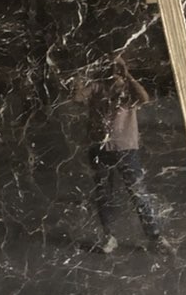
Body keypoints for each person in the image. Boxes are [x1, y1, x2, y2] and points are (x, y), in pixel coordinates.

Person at [73, 56, 171, 254]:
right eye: (112, 69)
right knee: (103, 194)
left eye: (118, 70)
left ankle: (155, 237)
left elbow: (144, 98)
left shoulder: (128, 90)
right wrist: (80, 77)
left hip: (126, 149)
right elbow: (77, 98)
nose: (115, 74)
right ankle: (109, 237)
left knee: (138, 193)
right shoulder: (97, 88)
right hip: (100, 148)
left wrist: (128, 76)